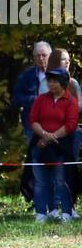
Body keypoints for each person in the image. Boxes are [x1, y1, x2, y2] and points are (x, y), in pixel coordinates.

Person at [29, 67, 79, 223]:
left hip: (61, 146)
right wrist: (44, 134)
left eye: (54, 81)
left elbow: (71, 124)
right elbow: (33, 120)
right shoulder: (41, 99)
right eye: (49, 81)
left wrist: (51, 137)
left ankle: (66, 213)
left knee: (61, 180)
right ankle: (41, 213)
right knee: (40, 181)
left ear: (63, 83)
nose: (51, 84)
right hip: (40, 144)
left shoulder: (71, 101)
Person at [49, 48, 81, 217]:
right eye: (63, 59)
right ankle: (53, 207)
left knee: (70, 169)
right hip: (51, 133)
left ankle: (71, 207)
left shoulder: (73, 83)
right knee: (52, 169)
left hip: (71, 132)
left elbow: (79, 106)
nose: (67, 62)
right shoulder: (47, 83)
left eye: (68, 59)